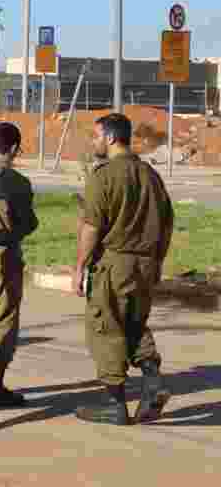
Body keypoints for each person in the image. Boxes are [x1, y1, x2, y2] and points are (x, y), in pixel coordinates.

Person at [73, 113, 174, 425]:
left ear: (111, 138)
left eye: (96, 136)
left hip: (114, 263)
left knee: (105, 328)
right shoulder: (150, 175)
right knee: (134, 324)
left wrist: (79, 267)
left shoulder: (103, 176)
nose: (94, 142)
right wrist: (156, 260)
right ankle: (153, 380)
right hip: (146, 263)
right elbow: (167, 223)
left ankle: (115, 404)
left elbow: (91, 227)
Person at [0, 122, 39, 408]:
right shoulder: (18, 182)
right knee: (3, 320)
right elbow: (28, 224)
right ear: (14, 148)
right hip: (4, 254)